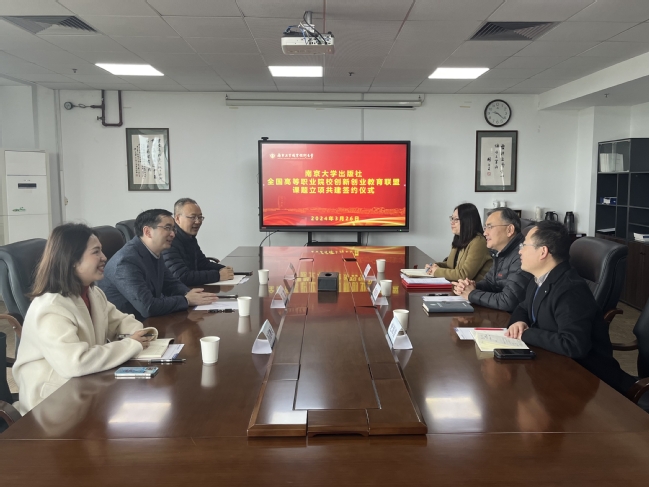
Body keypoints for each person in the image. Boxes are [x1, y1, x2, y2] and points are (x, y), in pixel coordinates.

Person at [12, 223, 156, 414]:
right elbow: (75, 363)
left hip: (83, 385)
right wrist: (132, 344)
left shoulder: (92, 293)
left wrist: (141, 334)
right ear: (72, 259)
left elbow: (120, 321)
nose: (104, 257)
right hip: (51, 404)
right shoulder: (50, 307)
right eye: (96, 252)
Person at [505, 220, 636, 395]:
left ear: (543, 251)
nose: (519, 251)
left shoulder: (570, 289)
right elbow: (523, 307)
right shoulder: (540, 278)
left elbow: (573, 344)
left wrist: (526, 334)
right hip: (554, 366)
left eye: (524, 245)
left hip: (589, 382)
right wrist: (519, 322)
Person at [99, 209, 217, 322]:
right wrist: (186, 300)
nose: (173, 234)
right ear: (147, 232)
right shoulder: (126, 262)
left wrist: (188, 293)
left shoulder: (153, 251)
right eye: (167, 228)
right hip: (131, 328)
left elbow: (170, 283)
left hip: (150, 320)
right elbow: (148, 307)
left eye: (173, 229)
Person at [453, 207, 532, 312]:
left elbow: (508, 301)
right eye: (485, 227)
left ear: (509, 230)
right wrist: (471, 286)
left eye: (490, 227)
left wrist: (472, 294)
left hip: (513, 319)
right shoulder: (500, 252)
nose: (485, 233)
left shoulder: (521, 256)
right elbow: (490, 283)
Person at [162, 198, 234, 286]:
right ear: (177, 218)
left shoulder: (189, 237)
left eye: (200, 217)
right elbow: (181, 276)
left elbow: (202, 263)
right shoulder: (169, 240)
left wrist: (224, 269)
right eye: (192, 217)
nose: (198, 221)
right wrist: (218, 275)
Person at [426, 203, 491, 282]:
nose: (452, 222)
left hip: (473, 288)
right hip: (456, 286)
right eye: (452, 218)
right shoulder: (459, 238)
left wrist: (437, 271)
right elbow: (451, 265)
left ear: (467, 221)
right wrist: (435, 266)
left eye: (456, 219)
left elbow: (464, 275)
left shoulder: (479, 242)